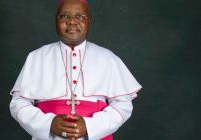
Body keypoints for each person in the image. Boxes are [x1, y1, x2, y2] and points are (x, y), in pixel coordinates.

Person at [9, 0, 142, 139]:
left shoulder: (108, 58)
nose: (72, 22)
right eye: (65, 16)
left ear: (89, 20)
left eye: (80, 16)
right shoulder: (36, 57)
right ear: (56, 19)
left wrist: (91, 126)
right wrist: (48, 124)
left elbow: (123, 105)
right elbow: (19, 104)